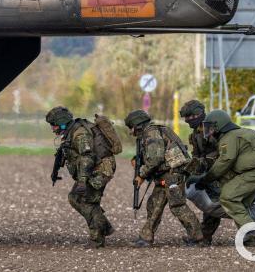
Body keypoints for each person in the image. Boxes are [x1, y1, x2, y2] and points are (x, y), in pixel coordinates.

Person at [190, 110, 255, 245]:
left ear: (218, 126)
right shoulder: (241, 133)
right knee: (242, 203)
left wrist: (204, 179)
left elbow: (224, 163)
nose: (208, 131)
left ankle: (251, 231)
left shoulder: (228, 138)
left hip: (254, 173)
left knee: (228, 197)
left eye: (210, 127)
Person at [125, 109, 204, 247]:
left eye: (131, 128)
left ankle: (197, 237)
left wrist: (141, 175)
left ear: (137, 125)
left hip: (174, 174)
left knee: (177, 205)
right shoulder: (151, 132)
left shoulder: (151, 133)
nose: (131, 132)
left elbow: (155, 159)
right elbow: (154, 154)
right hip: (166, 174)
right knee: (154, 204)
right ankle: (146, 237)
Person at [45, 106, 116, 248]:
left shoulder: (80, 134)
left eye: (54, 125)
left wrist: (82, 181)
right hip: (93, 168)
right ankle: (104, 228)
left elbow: (87, 157)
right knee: (78, 198)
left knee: (84, 200)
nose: (53, 129)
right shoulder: (71, 131)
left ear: (63, 123)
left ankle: (97, 239)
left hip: (101, 168)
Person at [181, 100, 223, 244]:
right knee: (211, 204)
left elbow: (222, 151)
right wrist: (188, 172)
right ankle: (204, 237)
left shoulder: (210, 127)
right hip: (209, 173)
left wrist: (203, 164)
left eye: (189, 117)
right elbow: (197, 156)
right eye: (185, 118)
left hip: (221, 171)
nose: (187, 121)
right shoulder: (195, 134)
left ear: (198, 115)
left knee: (224, 202)